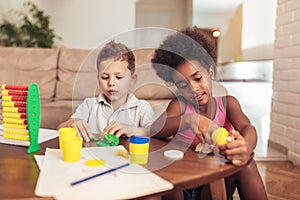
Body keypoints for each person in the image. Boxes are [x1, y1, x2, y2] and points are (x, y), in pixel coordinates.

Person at [151, 27, 267, 200]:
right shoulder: (179, 107)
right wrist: (190, 119)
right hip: (183, 187)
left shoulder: (228, 104)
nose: (194, 89)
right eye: (183, 85)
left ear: (211, 72)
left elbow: (247, 128)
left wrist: (245, 147)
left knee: (247, 164)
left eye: (197, 79)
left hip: (214, 186)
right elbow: (154, 130)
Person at [58, 40, 156, 142]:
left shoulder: (142, 108)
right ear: (98, 80)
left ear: (133, 79)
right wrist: (71, 122)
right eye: (105, 77)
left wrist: (134, 130)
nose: (111, 83)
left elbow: (157, 133)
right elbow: (60, 128)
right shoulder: (89, 105)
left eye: (119, 77)